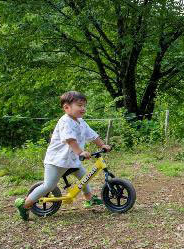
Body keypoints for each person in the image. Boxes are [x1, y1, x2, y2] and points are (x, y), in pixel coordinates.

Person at [14, 91, 111, 220]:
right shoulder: (65, 121)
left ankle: (89, 199)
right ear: (66, 107)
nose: (83, 108)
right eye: (80, 105)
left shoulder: (81, 122)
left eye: (84, 106)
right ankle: (25, 204)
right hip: (56, 161)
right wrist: (80, 152)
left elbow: (92, 134)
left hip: (72, 160)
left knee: (85, 177)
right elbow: (70, 140)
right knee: (49, 186)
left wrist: (102, 145)